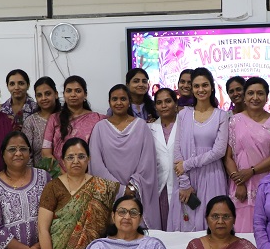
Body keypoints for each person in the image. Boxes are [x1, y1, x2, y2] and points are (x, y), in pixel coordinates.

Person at [89, 84, 160, 228]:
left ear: (129, 102)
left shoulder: (141, 126)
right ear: (109, 102)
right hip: (109, 194)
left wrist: (132, 188)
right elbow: (96, 165)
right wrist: (120, 189)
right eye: (114, 99)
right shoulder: (100, 128)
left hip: (136, 193)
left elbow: (147, 162)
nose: (119, 103)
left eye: (123, 99)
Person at [169, 67, 230, 231]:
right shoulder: (183, 114)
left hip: (212, 175)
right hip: (186, 177)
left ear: (212, 87)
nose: (201, 89)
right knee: (186, 224)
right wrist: (184, 182)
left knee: (212, 222)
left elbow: (219, 151)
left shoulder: (221, 115)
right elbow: (177, 150)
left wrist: (187, 164)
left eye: (205, 85)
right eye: (196, 86)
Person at [224, 77, 270, 232]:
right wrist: (239, 183)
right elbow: (228, 157)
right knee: (241, 232)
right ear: (244, 96)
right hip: (240, 186)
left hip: (266, 184)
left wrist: (251, 171)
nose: (255, 97)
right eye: (250, 93)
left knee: (265, 231)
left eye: (260, 93)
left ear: (267, 97)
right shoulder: (235, 120)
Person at [41, 75, 105, 172]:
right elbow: (46, 152)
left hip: (88, 175)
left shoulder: (98, 119)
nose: (73, 94)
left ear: (85, 95)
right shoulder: (54, 119)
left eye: (78, 91)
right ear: (64, 94)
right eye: (69, 91)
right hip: (59, 175)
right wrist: (63, 176)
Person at [150, 87, 180, 229]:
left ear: (175, 103)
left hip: (182, 184)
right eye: (159, 102)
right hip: (160, 185)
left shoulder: (185, 125)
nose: (163, 106)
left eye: (168, 101)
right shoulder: (149, 128)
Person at [22, 76, 61, 172]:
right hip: (40, 175)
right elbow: (26, 154)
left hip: (69, 174)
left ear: (56, 94)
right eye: (39, 95)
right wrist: (33, 177)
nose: (44, 98)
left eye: (47, 94)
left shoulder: (67, 118)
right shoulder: (30, 122)